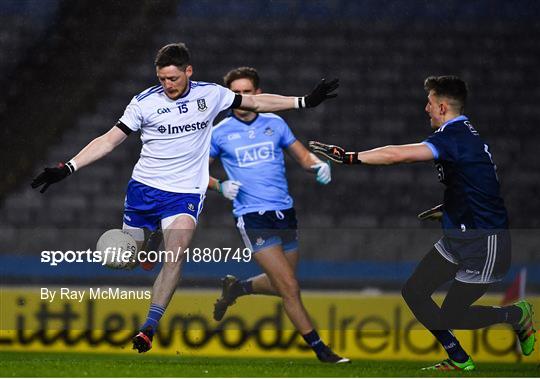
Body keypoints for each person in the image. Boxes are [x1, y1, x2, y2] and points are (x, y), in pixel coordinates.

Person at [30, 42, 339, 354]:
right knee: (123, 261)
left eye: (174, 78)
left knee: (176, 252)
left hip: (184, 193)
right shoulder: (143, 103)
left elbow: (255, 102)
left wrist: (304, 101)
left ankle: (149, 327)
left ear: (188, 71)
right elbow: (110, 140)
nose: (168, 85)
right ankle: (147, 243)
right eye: (162, 78)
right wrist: (68, 167)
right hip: (144, 190)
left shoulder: (211, 94)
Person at [309, 75, 536, 371]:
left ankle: (517, 316)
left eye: (429, 103)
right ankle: (458, 358)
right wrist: (450, 209)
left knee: (452, 315)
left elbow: (396, 155)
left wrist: (350, 157)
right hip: (459, 233)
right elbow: (477, 183)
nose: (425, 108)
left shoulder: (453, 137)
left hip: (484, 242)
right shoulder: (464, 135)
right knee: (414, 291)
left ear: (442, 107)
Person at [207, 67, 348, 364]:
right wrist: (219, 185)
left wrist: (318, 166)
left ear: (259, 94)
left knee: (280, 282)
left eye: (247, 91)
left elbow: (302, 156)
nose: (242, 97)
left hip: (284, 212)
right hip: (251, 215)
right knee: (290, 288)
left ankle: (238, 288)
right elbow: (193, 171)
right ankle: (321, 350)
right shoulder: (218, 132)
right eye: (236, 93)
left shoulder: (276, 123)